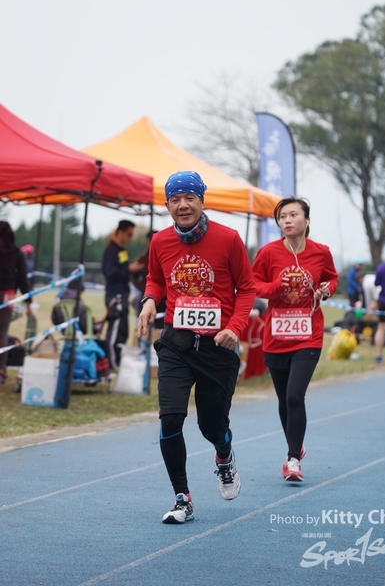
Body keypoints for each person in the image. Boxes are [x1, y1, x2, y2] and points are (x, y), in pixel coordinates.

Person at [137, 171, 256, 524]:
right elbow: (155, 278)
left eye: (189, 197)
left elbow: (247, 288)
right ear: (167, 205)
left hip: (218, 348)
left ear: (202, 201)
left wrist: (234, 327)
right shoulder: (160, 241)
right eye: (175, 199)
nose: (183, 205)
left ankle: (224, 455)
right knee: (170, 417)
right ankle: (182, 498)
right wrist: (149, 300)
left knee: (211, 426)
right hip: (176, 343)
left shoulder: (228, 238)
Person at [252, 196, 338, 482]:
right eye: (282, 217)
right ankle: (296, 444)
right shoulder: (268, 253)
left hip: (308, 335)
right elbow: (254, 285)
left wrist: (326, 290)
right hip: (276, 335)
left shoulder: (321, 252)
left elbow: (332, 278)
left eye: (293, 215)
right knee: (283, 400)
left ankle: (292, 460)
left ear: (307, 219)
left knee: (294, 396)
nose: (287, 220)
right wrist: (278, 286)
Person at [102, 220, 144, 368]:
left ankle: (117, 361)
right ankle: (111, 363)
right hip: (115, 296)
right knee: (115, 331)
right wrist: (128, 270)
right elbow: (110, 273)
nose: (130, 238)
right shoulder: (110, 251)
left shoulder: (122, 251)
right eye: (129, 234)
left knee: (122, 330)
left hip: (123, 295)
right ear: (120, 232)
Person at [0, 222, 32, 384]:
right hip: (8, 294)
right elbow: (22, 278)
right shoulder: (16, 252)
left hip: (7, 292)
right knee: (2, 333)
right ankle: (1, 369)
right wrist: (29, 301)